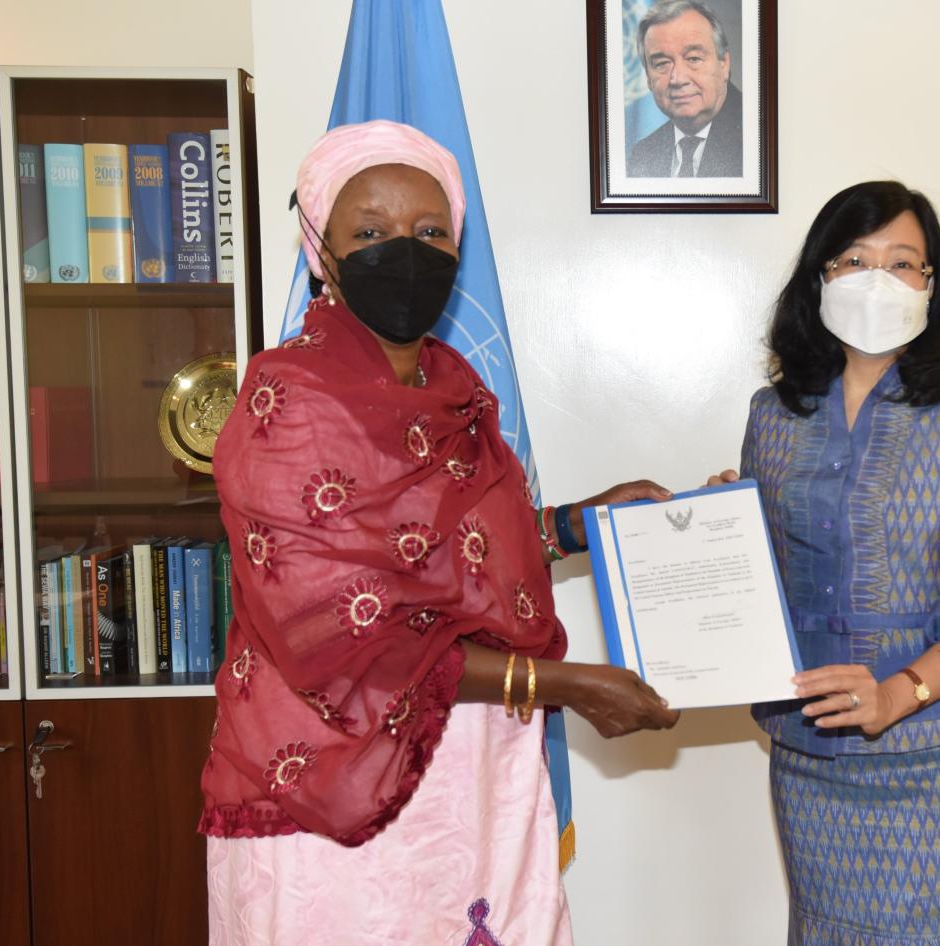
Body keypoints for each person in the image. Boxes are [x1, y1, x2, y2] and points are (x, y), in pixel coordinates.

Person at [199, 119, 679, 946]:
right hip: (334, 787)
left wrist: (577, 522)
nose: (406, 252)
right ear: (322, 249)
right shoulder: (287, 407)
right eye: (372, 233)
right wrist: (566, 685)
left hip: (473, 778)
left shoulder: (450, 384)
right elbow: (347, 638)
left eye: (429, 233)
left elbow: (444, 558)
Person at [712, 181, 940, 945]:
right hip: (809, 754)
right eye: (855, 258)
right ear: (819, 276)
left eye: (903, 262)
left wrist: (898, 693)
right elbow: (775, 576)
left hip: (933, 765)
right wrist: (723, 528)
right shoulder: (774, 415)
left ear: (932, 284)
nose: (878, 280)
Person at [627, 0, 743, 178]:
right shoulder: (642, 155)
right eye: (662, 64)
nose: (678, 79)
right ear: (648, 78)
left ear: (724, 63)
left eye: (693, 59)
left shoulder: (758, 137)